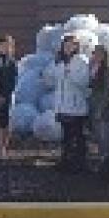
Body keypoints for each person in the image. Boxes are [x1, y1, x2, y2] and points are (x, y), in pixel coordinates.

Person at [43, 34, 90, 173]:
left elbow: (84, 82)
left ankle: (80, 162)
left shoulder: (81, 60)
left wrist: (69, 73)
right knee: (66, 136)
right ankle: (66, 161)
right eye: (66, 45)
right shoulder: (60, 61)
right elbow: (52, 78)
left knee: (78, 136)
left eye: (71, 45)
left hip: (76, 107)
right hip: (62, 105)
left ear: (76, 46)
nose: (68, 48)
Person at [88, 44, 109, 173]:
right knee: (99, 137)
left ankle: (106, 163)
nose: (97, 55)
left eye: (100, 53)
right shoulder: (94, 68)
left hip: (105, 108)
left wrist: (100, 109)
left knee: (105, 137)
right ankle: (101, 161)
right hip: (95, 105)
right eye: (95, 53)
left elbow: (108, 92)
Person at [0, 35, 18, 157]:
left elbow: (13, 82)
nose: (5, 48)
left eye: (7, 46)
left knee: (5, 122)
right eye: (3, 46)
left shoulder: (12, 63)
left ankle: (2, 147)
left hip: (7, 95)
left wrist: (4, 95)